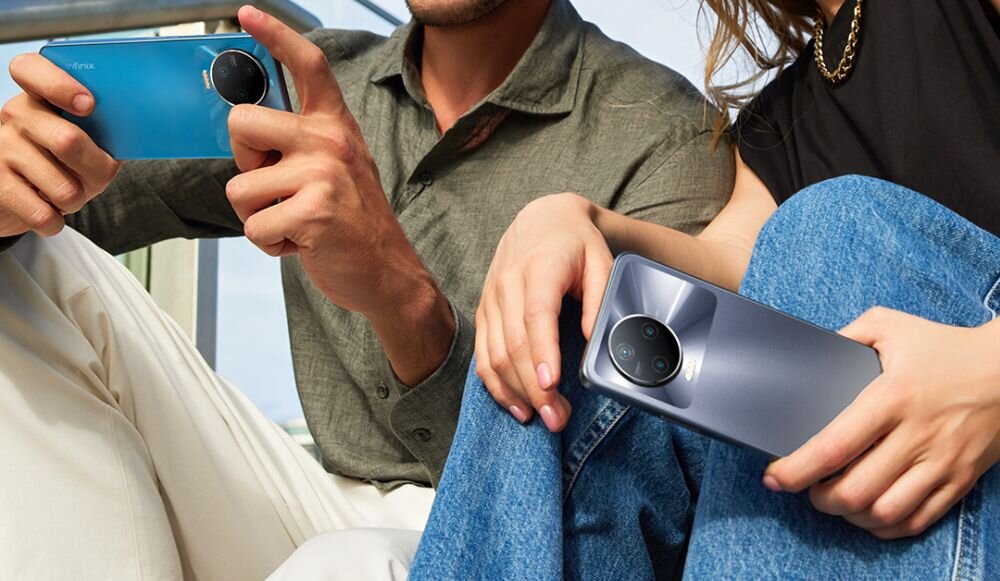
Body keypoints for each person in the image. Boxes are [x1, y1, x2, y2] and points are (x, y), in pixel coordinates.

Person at [0, 0, 732, 578]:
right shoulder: (314, 84)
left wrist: (399, 291)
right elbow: (68, 214)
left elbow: (629, 492)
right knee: (26, 258)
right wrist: (21, 170)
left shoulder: (665, 136)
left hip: (507, 536)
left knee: (343, 563)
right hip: (310, 499)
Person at [409, 0, 1000, 578]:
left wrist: (985, 372)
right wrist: (572, 220)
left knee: (831, 227)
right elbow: (729, 266)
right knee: (573, 319)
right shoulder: (781, 120)